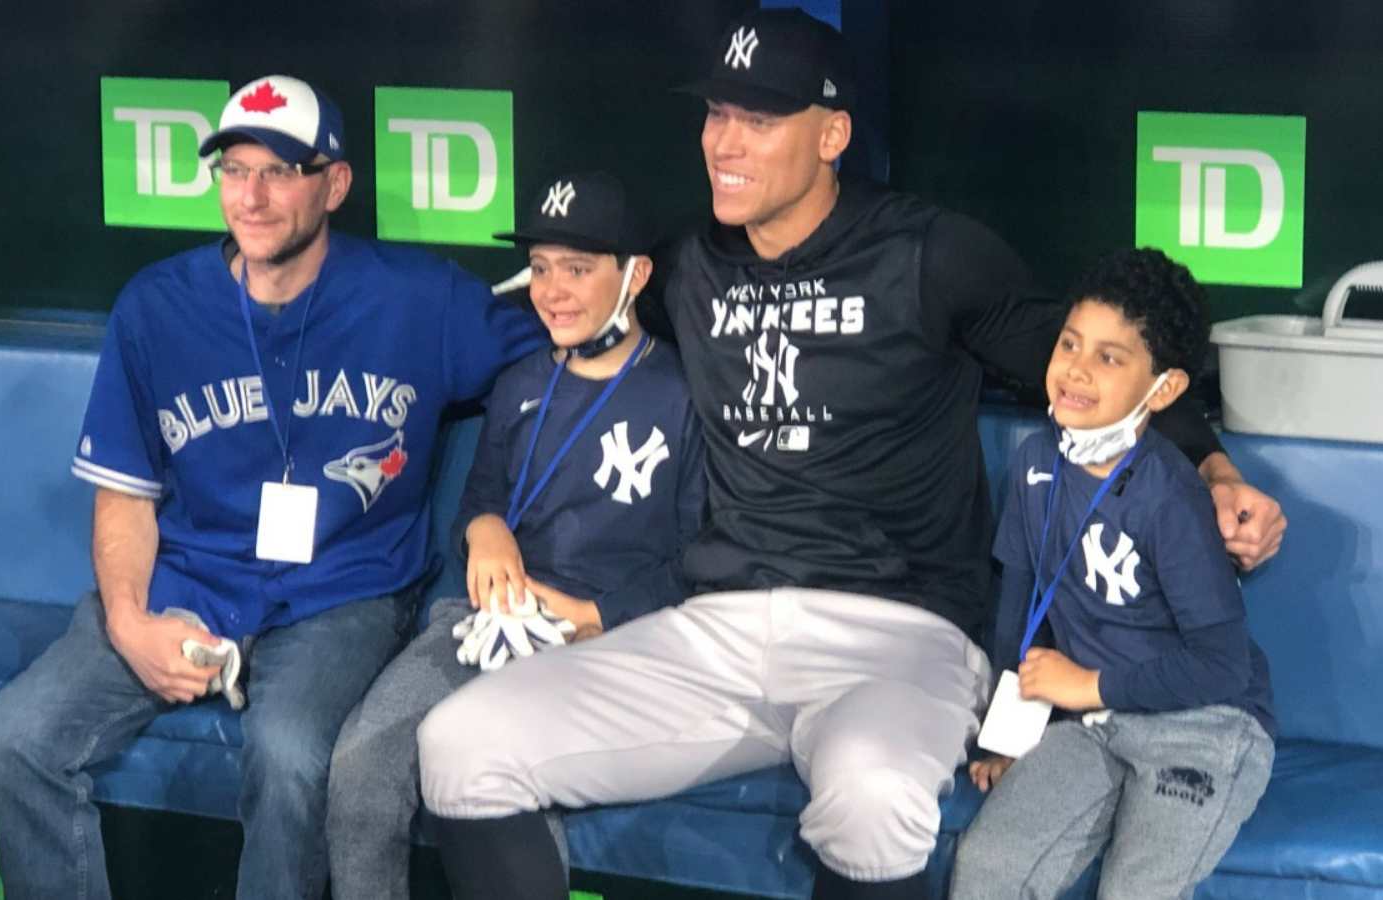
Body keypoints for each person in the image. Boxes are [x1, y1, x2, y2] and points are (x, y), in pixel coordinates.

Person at [418, 10, 1288, 900]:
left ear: (832, 134)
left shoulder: (926, 252)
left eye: (759, 120)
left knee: (874, 795)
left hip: (898, 631)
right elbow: (562, 331)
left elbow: (1089, 373)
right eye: (717, 114)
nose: (725, 141)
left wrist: (1217, 474)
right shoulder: (684, 266)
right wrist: (486, 513)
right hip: (717, 624)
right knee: (461, 744)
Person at [0, 74, 542, 900]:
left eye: (281, 171)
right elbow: (125, 495)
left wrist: (489, 508)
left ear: (335, 183)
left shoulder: (420, 300)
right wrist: (132, 625)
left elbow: (562, 339)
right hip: (192, 582)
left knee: (290, 758)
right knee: (16, 737)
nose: (253, 195)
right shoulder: (156, 308)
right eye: (235, 170)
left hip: (341, 593)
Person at [325, 171, 706, 899]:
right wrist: (487, 528)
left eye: (578, 268)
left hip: (610, 642)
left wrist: (596, 616)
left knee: (505, 783)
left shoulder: (684, 395)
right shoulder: (522, 379)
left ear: (636, 275)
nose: (552, 290)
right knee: (362, 768)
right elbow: (481, 495)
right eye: (538, 268)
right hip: (487, 625)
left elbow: (705, 561)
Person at [949, 247, 1276, 899]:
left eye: (1109, 357)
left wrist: (1089, 685)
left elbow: (1221, 668)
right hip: (1092, 723)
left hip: (1204, 725)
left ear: (1166, 389)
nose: (1075, 369)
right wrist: (1010, 733)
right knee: (986, 869)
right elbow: (1019, 605)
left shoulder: (1172, 498)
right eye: (1070, 344)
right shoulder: (1036, 463)